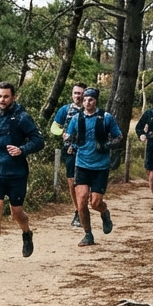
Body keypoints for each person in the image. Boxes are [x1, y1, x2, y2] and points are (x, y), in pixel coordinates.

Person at [0, 82, 44, 271]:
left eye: (5, 96)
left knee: (16, 212)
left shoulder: (22, 118)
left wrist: (22, 149)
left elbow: (39, 141)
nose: (2, 100)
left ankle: (26, 233)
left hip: (17, 173)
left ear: (13, 96)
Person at [64, 88, 122, 246]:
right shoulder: (76, 119)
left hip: (100, 166)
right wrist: (71, 144)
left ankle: (105, 213)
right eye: (85, 100)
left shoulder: (106, 118)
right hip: (82, 164)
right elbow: (69, 137)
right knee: (82, 201)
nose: (87, 102)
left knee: (95, 203)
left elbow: (119, 137)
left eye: (91, 99)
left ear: (96, 100)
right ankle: (88, 234)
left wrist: (107, 145)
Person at [52, 83, 87, 227]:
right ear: (72, 94)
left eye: (81, 93)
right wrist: (63, 133)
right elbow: (54, 127)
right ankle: (77, 211)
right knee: (72, 182)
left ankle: (83, 208)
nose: (78, 96)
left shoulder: (90, 110)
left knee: (84, 183)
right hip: (70, 150)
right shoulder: (65, 110)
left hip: (87, 151)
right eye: (76, 93)